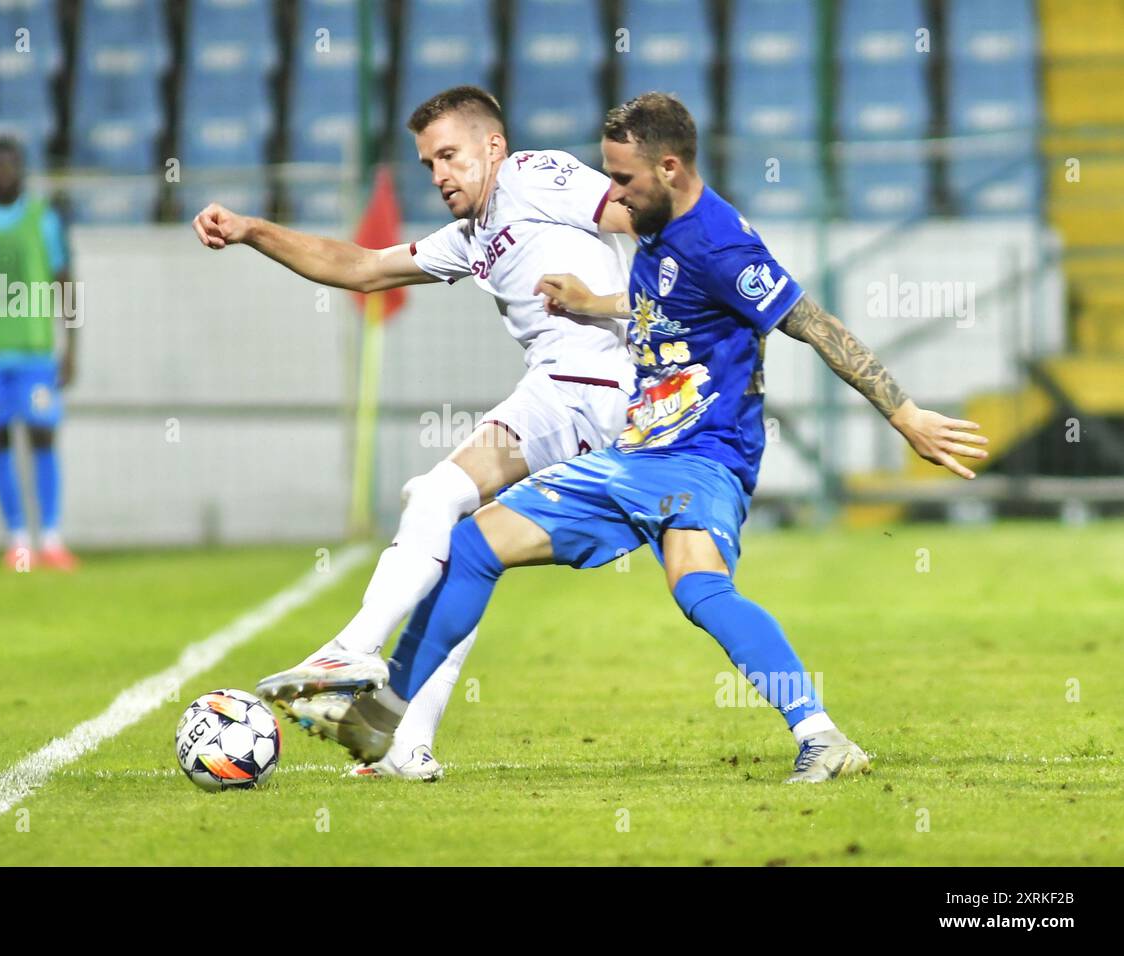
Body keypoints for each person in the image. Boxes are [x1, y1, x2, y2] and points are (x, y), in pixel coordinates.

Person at [284, 92, 991, 784]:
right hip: (648, 452)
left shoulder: (719, 242)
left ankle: (387, 706)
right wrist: (595, 303)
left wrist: (904, 414)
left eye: (622, 178)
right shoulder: (656, 233)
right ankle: (821, 737)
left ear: (671, 169)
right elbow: (667, 301)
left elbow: (810, 321)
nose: (613, 193)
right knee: (659, 582)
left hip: (699, 452)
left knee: (524, 553)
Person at [197, 86, 635, 780]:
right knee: (455, 536)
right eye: (429, 163)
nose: (439, 176)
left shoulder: (531, 175)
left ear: (494, 147)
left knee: (438, 501)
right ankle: (407, 745)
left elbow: (637, 212)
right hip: (563, 394)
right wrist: (255, 230)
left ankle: (352, 652)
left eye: (450, 156)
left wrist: (627, 300)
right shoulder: (475, 235)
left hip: (593, 390)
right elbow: (365, 269)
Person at [0, 136, 78, 571]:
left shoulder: (44, 219)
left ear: (22, 168)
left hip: (35, 350)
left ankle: (53, 536)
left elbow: (65, 281)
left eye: (12, 164)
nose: (5, 172)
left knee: (43, 435)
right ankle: (18, 538)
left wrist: (72, 344)